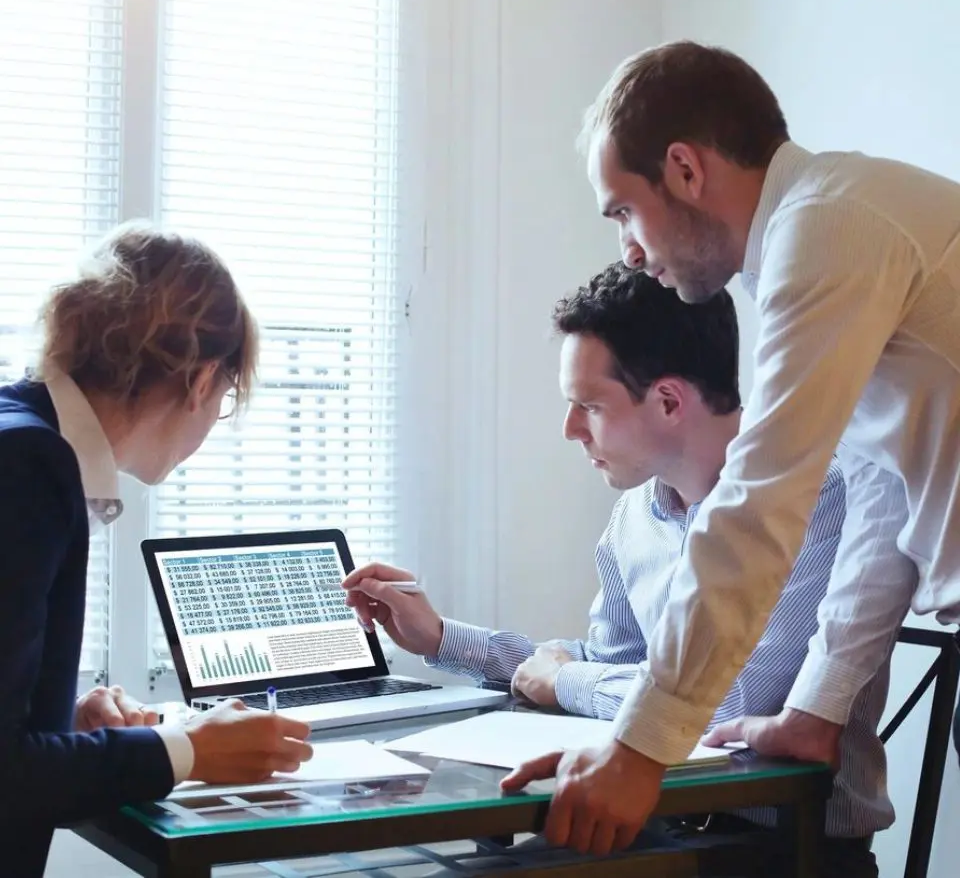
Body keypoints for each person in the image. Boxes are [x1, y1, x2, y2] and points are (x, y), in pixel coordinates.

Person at [502, 39, 960, 855]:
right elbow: (883, 499)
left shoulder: (828, 229)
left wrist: (641, 749)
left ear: (683, 169)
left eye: (622, 212)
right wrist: (816, 713)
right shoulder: (821, 236)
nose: (629, 252)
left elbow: (758, 505)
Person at [344, 264, 890, 875]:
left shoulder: (819, 495)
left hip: (784, 850)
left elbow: (721, 707)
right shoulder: (634, 516)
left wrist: (570, 680)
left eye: (589, 406)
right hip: (646, 823)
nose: (570, 429)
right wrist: (443, 638)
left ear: (667, 401)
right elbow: (612, 672)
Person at [0, 222, 313, 876]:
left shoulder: (20, 435)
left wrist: (67, 724)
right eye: (225, 398)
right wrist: (182, 749)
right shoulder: (30, 469)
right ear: (201, 381)